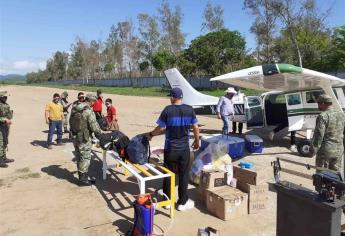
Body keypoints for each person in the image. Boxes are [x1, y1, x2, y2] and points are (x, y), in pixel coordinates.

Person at [147, 87, 200, 211]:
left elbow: (160, 128)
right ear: (181, 97)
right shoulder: (189, 110)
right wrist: (197, 141)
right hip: (184, 150)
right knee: (183, 175)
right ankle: (182, 202)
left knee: (168, 174)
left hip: (170, 150)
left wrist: (150, 135)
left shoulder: (167, 110)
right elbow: (196, 128)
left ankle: (167, 201)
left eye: (170, 96)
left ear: (172, 97)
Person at [69, 93, 101, 186]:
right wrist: (100, 134)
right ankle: (83, 180)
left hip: (75, 136)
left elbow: (70, 121)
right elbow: (94, 126)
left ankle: (81, 177)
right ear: (91, 101)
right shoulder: (88, 111)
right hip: (84, 138)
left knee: (79, 157)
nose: (94, 104)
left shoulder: (75, 107)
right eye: (94, 102)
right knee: (85, 158)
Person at [312, 94, 345, 174]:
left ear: (323, 103)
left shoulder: (323, 116)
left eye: (319, 103)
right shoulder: (342, 114)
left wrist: (313, 150)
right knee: (336, 175)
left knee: (322, 176)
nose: (318, 106)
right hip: (339, 150)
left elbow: (319, 136)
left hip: (325, 152)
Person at [0, 91, 13, 168]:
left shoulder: (6, 105)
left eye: (6, 97)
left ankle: (4, 157)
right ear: (1, 97)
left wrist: (10, 115)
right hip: (0, 126)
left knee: (5, 141)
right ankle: (0, 160)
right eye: (4, 97)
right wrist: (4, 120)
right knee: (0, 143)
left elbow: (9, 116)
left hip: (6, 126)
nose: (6, 98)